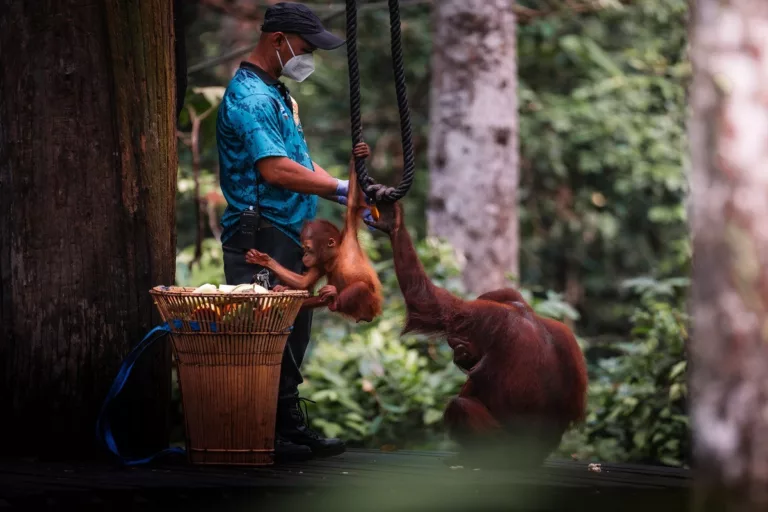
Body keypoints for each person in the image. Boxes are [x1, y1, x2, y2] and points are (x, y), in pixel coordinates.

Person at [216, 2, 360, 462]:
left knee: (290, 335)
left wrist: (345, 195)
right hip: (261, 234)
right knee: (263, 337)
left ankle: (282, 429)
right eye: (305, 46)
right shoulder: (253, 99)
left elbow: (298, 163)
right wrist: (339, 187)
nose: (309, 57)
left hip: (289, 232)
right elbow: (276, 170)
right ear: (277, 40)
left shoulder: (274, 92)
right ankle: (262, 435)